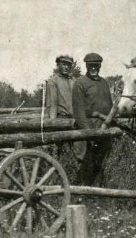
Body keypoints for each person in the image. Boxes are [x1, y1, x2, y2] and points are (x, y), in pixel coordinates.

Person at [73, 52, 116, 185]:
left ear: (100, 66)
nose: (93, 68)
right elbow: (79, 112)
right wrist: (89, 133)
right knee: (84, 162)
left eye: (96, 66)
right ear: (86, 66)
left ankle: (97, 195)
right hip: (86, 129)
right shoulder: (80, 83)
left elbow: (110, 106)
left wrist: (108, 126)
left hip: (103, 128)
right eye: (91, 65)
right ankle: (80, 193)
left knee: (101, 162)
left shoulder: (103, 82)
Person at [42, 54, 77, 119]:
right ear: (58, 65)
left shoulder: (74, 80)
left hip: (74, 118)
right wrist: (53, 124)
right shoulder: (53, 81)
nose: (66, 67)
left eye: (68, 65)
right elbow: (52, 105)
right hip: (61, 118)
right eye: (64, 64)